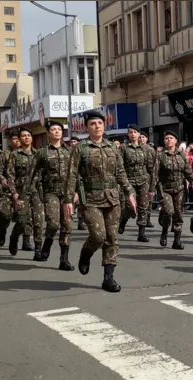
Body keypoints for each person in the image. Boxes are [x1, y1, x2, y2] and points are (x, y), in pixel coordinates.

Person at [63, 110, 136, 293]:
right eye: (93, 124)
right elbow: (71, 174)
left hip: (112, 198)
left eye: (100, 123)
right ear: (87, 127)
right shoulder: (81, 148)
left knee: (112, 238)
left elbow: (120, 172)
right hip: (91, 199)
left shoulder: (112, 147)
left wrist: (130, 193)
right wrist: (68, 199)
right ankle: (86, 254)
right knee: (98, 236)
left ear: (104, 126)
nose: (97, 126)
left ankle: (108, 277)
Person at [27, 120, 74, 270]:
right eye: (53, 129)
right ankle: (47, 243)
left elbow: (76, 173)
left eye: (59, 129)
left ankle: (64, 259)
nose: (56, 132)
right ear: (48, 133)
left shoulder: (70, 151)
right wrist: (25, 194)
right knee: (53, 223)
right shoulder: (43, 152)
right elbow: (32, 173)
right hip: (50, 192)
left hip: (67, 193)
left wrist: (78, 192)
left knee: (67, 225)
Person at [151, 130, 193, 249]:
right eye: (166, 138)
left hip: (179, 189)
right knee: (168, 211)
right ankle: (164, 232)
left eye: (171, 138)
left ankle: (177, 240)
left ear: (176, 141)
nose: (169, 140)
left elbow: (187, 170)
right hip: (165, 188)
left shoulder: (181, 155)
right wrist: (151, 189)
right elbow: (155, 173)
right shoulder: (161, 156)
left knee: (178, 214)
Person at [5, 128, 43, 258]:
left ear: (32, 138)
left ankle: (38, 250)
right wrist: (14, 193)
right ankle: (14, 237)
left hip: (36, 191)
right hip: (22, 193)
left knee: (38, 221)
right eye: (23, 136)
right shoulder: (15, 155)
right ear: (19, 139)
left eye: (28, 135)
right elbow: (10, 175)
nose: (26, 137)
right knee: (22, 220)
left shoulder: (38, 154)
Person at [118, 124, 154, 242]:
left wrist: (151, 186)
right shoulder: (123, 148)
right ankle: (123, 220)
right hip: (129, 181)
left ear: (139, 134)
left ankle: (141, 233)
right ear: (128, 134)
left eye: (135, 132)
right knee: (130, 207)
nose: (133, 134)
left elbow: (151, 168)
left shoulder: (146, 149)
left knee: (143, 206)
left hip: (143, 180)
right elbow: (120, 165)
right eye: (131, 132)